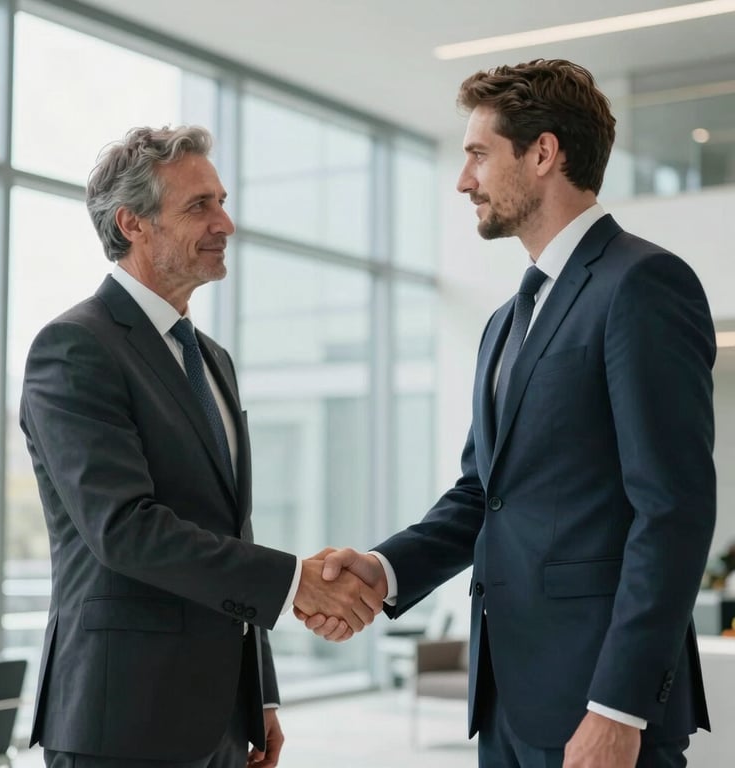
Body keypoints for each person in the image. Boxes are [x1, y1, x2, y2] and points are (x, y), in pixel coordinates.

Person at [298, 59, 716, 767]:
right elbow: (482, 497)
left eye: (478, 155)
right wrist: (382, 569)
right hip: (506, 700)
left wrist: (618, 705)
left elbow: (672, 510)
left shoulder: (641, 285)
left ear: (543, 153)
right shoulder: (504, 320)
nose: (465, 181)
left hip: (598, 706)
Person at [19, 125, 383, 768]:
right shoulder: (75, 347)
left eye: (221, 200)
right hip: (121, 720)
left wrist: (259, 692)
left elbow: (230, 527)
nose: (226, 223)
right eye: (199, 206)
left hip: (218, 718)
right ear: (132, 223)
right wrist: (297, 581)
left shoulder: (209, 358)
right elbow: (124, 529)